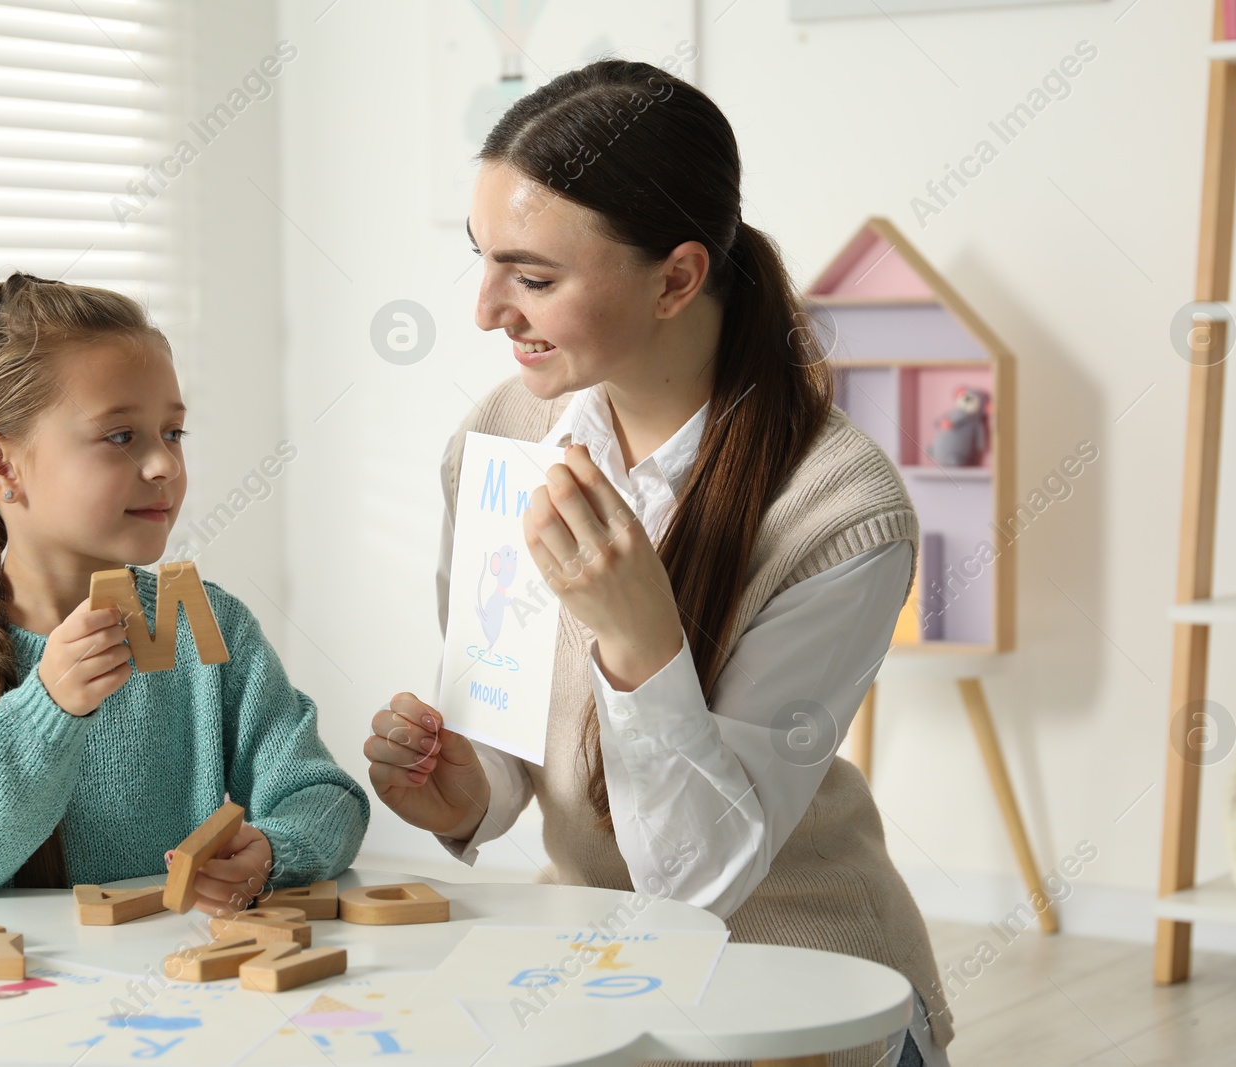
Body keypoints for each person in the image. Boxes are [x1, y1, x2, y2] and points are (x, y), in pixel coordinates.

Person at [364, 60, 951, 1066]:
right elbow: (507, 735)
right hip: (593, 957)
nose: (487, 310)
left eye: (534, 278)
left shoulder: (838, 514)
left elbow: (698, 881)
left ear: (677, 277)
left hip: (797, 969)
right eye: (485, 261)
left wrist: (640, 636)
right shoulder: (500, 438)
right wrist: (467, 786)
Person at [0, 273, 369, 914]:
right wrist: (50, 708)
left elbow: (324, 795)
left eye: (173, 433)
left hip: (195, 988)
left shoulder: (208, 625)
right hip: (29, 998)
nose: (164, 466)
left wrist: (271, 849)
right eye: (121, 437)